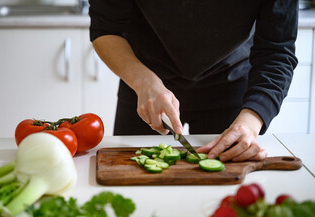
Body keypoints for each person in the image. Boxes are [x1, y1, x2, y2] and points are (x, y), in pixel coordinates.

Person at [88, 0, 298, 162]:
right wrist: (143, 82)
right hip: (145, 84)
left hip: (231, 87)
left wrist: (251, 120)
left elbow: (278, 50)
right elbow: (106, 29)